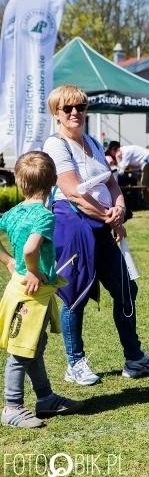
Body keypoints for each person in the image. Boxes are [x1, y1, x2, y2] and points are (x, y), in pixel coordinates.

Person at [43, 84, 149, 385]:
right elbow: (72, 191)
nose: (75, 112)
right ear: (56, 113)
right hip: (75, 228)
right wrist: (108, 215)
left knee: (126, 290)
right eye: (68, 108)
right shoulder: (56, 145)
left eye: (80, 107)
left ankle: (134, 358)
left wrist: (119, 208)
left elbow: (110, 182)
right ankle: (75, 363)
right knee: (75, 295)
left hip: (102, 226)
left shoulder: (94, 142)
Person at [0, 152, 84, 429]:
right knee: (22, 351)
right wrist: (32, 269)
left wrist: (8, 261)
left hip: (29, 291)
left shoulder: (14, 212)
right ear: (54, 181)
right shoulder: (45, 216)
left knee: (34, 346)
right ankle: (12, 407)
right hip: (30, 294)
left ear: (19, 181)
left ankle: (45, 398)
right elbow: (30, 249)